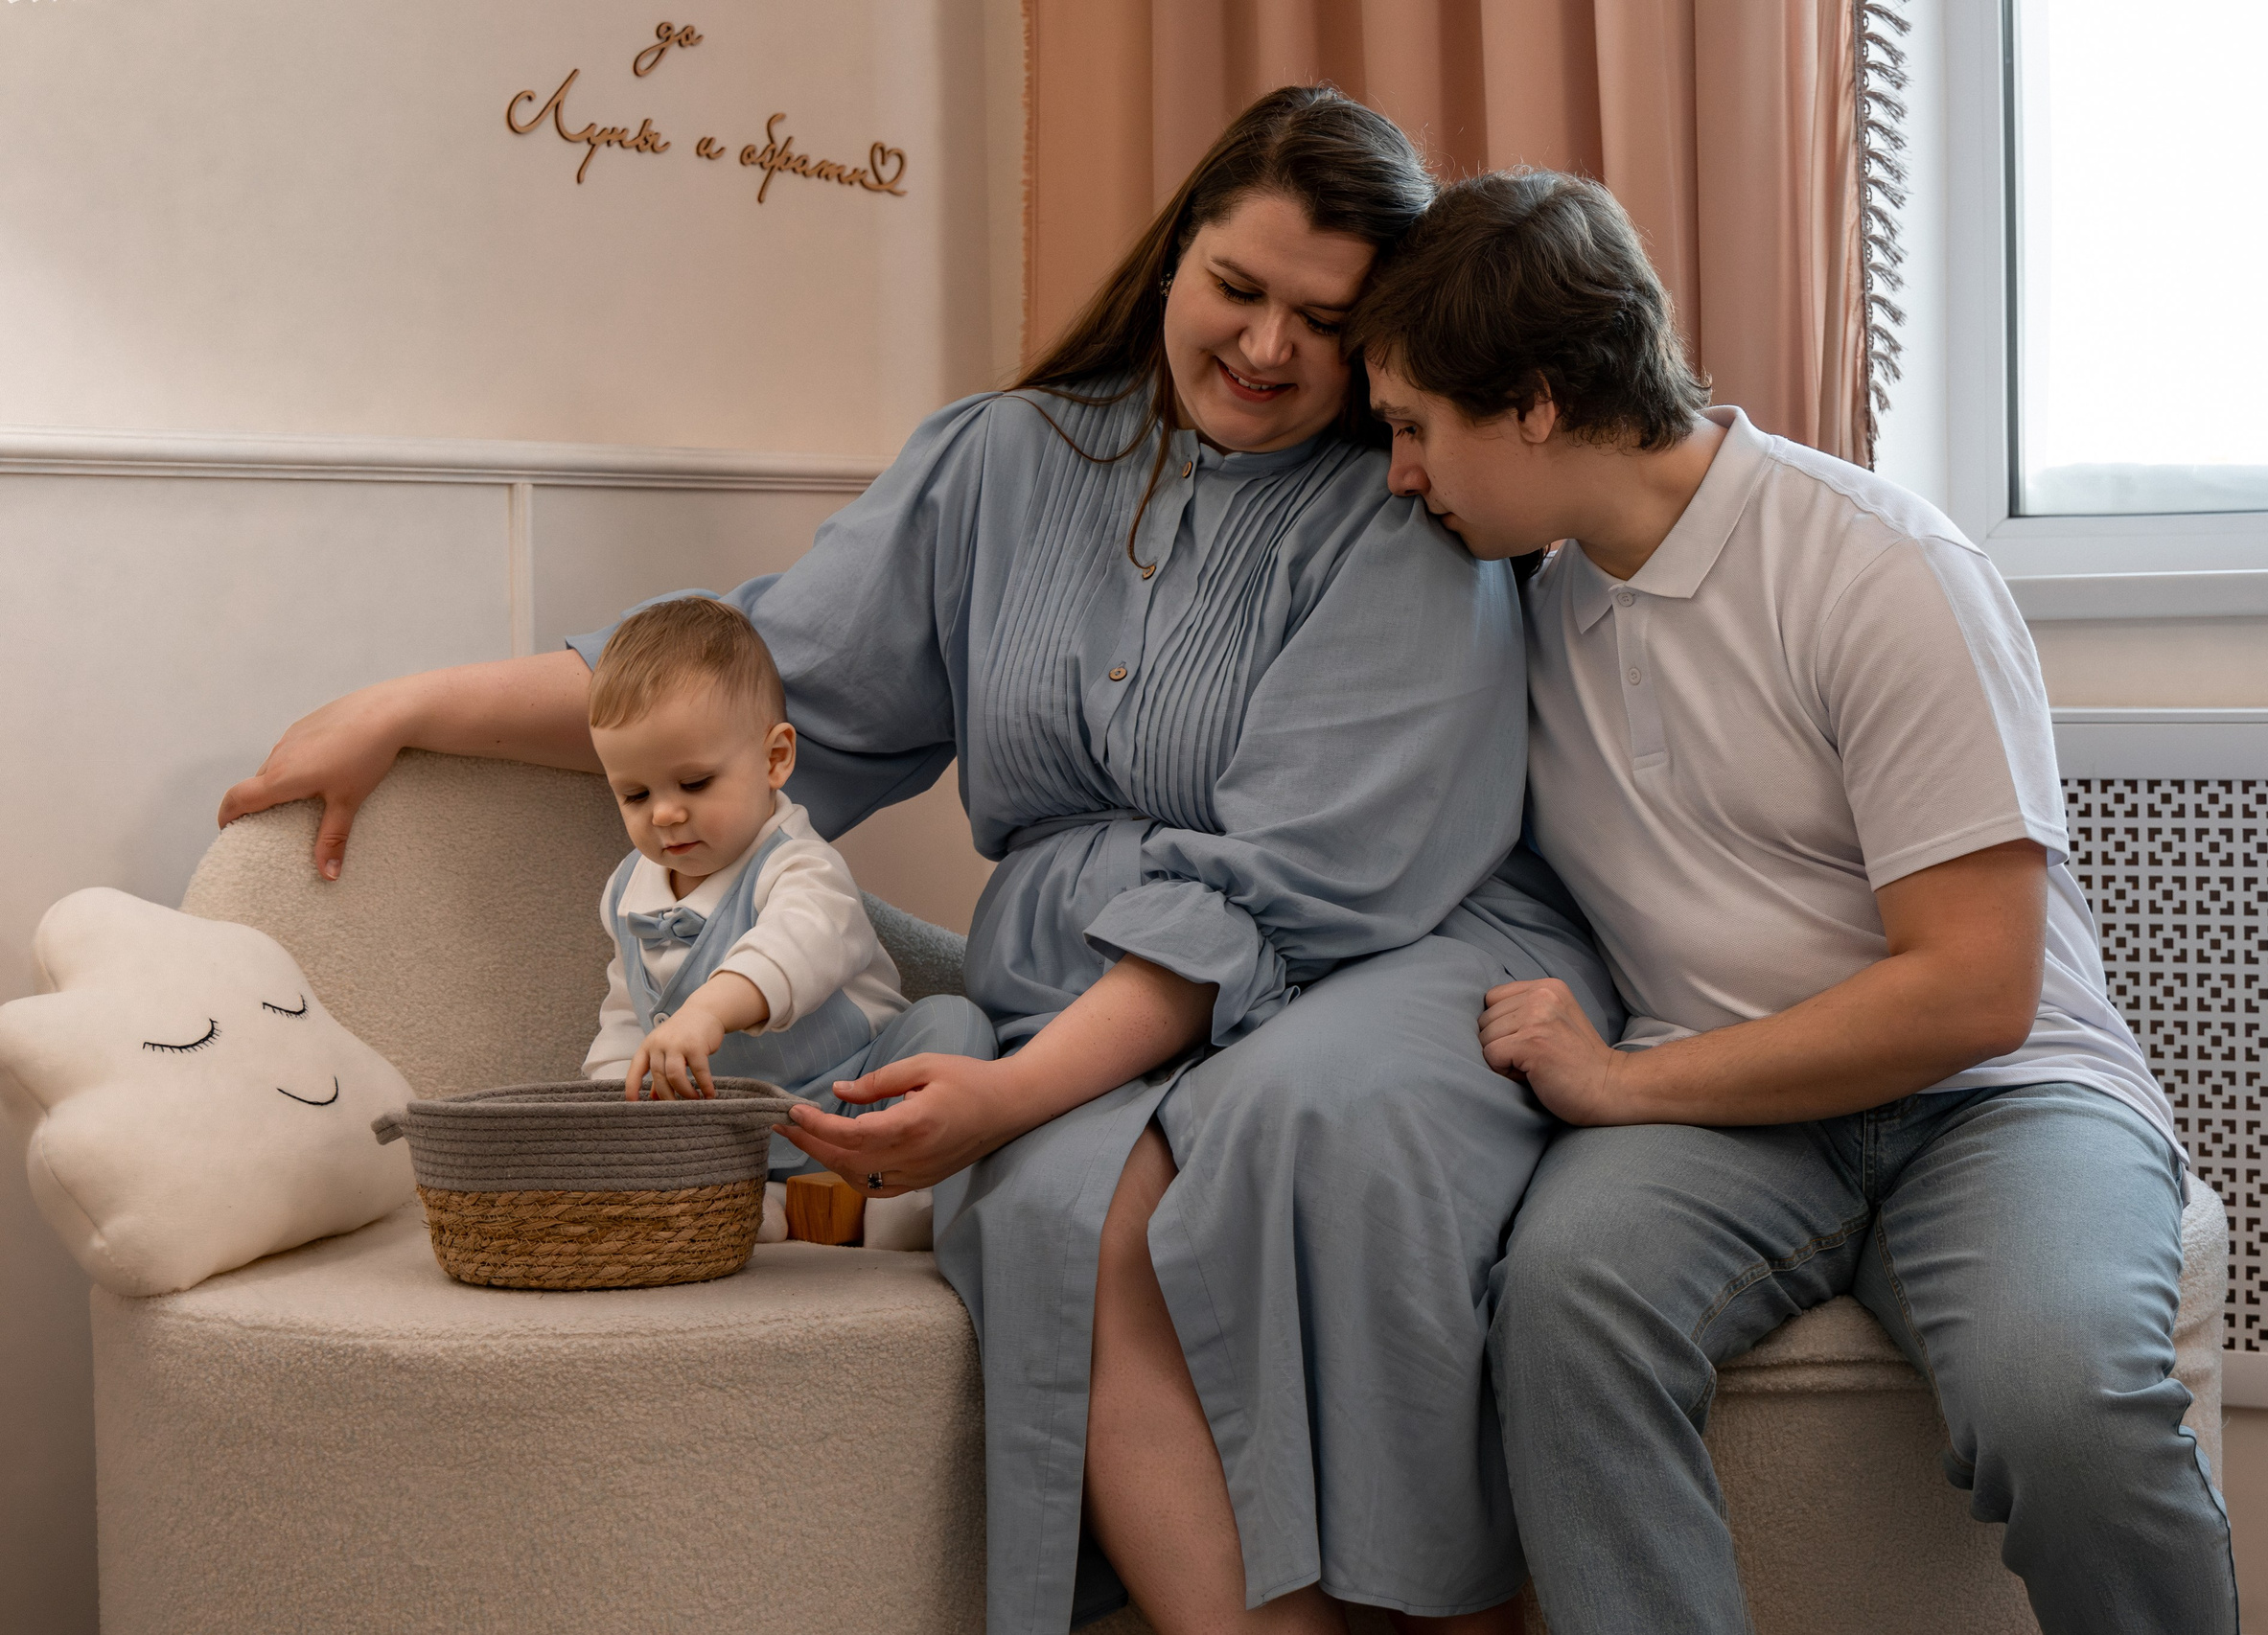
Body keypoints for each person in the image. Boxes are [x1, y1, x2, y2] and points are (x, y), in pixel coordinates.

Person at [219, 90, 1614, 1635]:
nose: (1268, 347)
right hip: (1090, 992)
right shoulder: (1000, 462)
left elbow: (1292, 882)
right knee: (1044, 1216)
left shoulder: (1410, 508)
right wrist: (409, 707)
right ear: (1174, 257)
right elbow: (761, 687)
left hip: (1360, 955)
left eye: (1325, 320)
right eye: (1238, 286)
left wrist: (1015, 1087)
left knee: (1268, 1154)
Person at [1346, 172, 2237, 1635]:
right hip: (1737, 1132)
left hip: (1999, 1095)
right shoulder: (1523, 610)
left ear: (1538, 401)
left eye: (1413, 427)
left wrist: (1628, 1083)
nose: (1398, 474)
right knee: (1565, 1304)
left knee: (2060, 1392)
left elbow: (1973, 991)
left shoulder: (1880, 566)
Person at [577, 596, 997, 1239]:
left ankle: (907, 1192)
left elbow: (796, 943)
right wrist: (615, 1109)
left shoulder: (800, 867)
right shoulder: (625, 892)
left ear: (774, 760)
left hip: (857, 1094)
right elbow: (625, 1017)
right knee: (651, 1120)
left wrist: (709, 1010)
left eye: (693, 784)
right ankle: (753, 1204)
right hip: (740, 1127)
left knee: (952, 1024)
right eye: (635, 794)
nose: (663, 814)